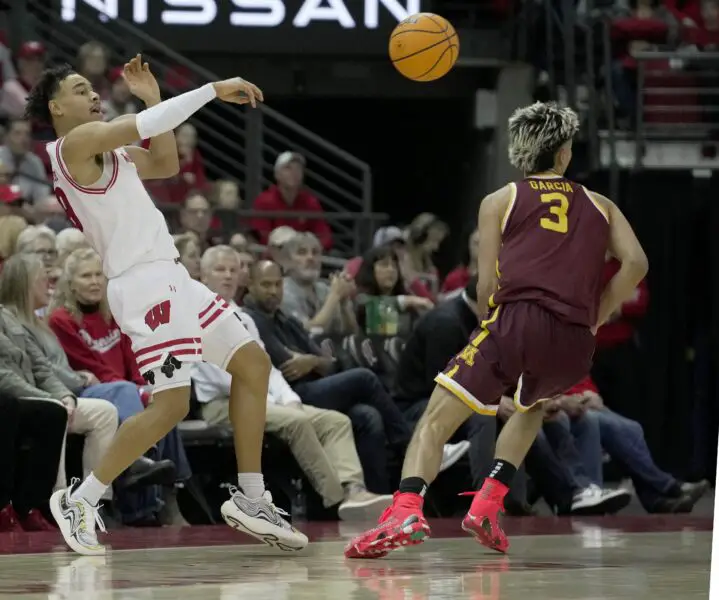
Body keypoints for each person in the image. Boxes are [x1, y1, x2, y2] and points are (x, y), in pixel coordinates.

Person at [24, 54, 306, 555]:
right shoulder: (73, 145)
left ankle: (251, 496)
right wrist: (212, 88)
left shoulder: (110, 153)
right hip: (143, 286)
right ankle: (82, 498)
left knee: (252, 363)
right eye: (80, 88)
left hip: (172, 277)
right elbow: (149, 125)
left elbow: (165, 161)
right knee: (172, 405)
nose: (93, 95)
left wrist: (154, 96)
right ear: (56, 107)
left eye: (93, 88)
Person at [344, 101, 649, 558]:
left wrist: (499, 325)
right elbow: (637, 263)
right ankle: (488, 503)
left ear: (520, 155)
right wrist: (599, 311)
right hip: (574, 337)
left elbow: (487, 286)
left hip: (517, 319)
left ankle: (405, 509)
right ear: (564, 154)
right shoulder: (601, 204)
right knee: (531, 406)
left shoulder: (500, 200)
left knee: (435, 419)